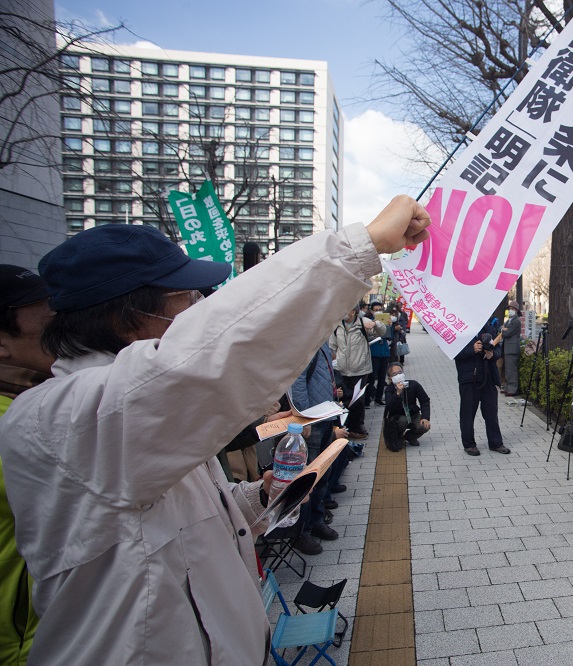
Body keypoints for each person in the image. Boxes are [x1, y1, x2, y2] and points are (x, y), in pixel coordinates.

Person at [0, 195, 430, 665]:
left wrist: (255, 498)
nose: (199, 306)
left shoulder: (125, 416)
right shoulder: (64, 417)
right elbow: (216, 357)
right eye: (184, 296)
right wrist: (361, 245)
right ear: (128, 319)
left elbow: (170, 528)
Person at [0, 265, 53, 666]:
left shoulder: (34, 400)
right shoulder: (16, 424)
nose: (64, 329)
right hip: (22, 643)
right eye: (50, 319)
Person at [288, 341, 345, 555]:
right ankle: (301, 532)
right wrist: (304, 419)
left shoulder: (321, 339)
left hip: (325, 415)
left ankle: (316, 520)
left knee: (323, 473)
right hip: (311, 420)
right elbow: (297, 383)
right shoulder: (304, 342)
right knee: (308, 479)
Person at [330, 302, 386, 439]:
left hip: (360, 369)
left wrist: (375, 324)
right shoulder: (337, 325)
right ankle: (344, 426)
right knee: (344, 398)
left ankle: (358, 426)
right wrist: (334, 364)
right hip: (342, 370)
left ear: (354, 312)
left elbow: (382, 331)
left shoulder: (362, 322)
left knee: (358, 400)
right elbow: (332, 347)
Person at [454, 324, 510, 456]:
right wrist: (472, 350)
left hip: (488, 377)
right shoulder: (459, 330)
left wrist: (492, 355)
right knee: (467, 413)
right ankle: (469, 444)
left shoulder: (489, 328)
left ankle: (496, 443)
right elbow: (455, 353)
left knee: (491, 412)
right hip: (469, 379)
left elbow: (498, 350)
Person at [383, 362, 430, 451]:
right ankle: (398, 436)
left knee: (424, 426)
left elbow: (425, 400)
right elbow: (390, 408)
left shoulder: (414, 385)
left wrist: (425, 417)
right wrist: (397, 394)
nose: (398, 375)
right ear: (390, 378)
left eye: (400, 373)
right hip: (398, 417)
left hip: (412, 414)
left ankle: (410, 436)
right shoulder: (389, 390)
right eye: (395, 374)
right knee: (402, 421)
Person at [367, 302, 390, 406]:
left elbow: (389, 336)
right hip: (373, 352)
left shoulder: (385, 320)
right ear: (371, 311)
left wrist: (389, 326)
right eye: (376, 310)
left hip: (384, 352)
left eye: (380, 309)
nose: (378, 311)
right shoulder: (368, 322)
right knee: (371, 377)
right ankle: (368, 398)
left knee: (382, 378)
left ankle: (378, 397)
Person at [502, 303, 522, 396]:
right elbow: (502, 329)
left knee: (512, 370)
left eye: (513, 308)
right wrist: (504, 329)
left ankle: (513, 389)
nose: (511, 310)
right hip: (507, 347)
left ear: (517, 310)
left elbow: (507, 333)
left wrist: (504, 330)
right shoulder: (509, 320)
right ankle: (507, 388)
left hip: (512, 348)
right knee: (507, 369)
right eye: (510, 308)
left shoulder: (516, 321)